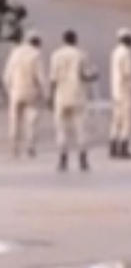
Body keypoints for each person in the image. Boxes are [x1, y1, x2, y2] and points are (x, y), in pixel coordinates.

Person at [50, 30, 98, 172]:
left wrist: (50, 96)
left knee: (61, 129)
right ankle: (83, 160)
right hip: (78, 95)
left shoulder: (56, 55)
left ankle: (62, 159)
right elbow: (85, 74)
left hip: (61, 95)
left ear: (63, 40)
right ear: (75, 40)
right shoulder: (82, 54)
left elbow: (53, 78)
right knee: (81, 128)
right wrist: (94, 75)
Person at [4, 30, 45, 159]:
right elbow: (41, 77)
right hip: (31, 91)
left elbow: (6, 75)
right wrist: (45, 93)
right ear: (37, 42)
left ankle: (14, 148)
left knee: (15, 120)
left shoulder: (15, 53)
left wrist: (9, 90)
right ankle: (30, 146)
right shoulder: (36, 54)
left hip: (15, 91)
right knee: (32, 120)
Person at [109, 28, 131, 159]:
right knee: (127, 120)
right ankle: (124, 148)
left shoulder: (115, 52)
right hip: (126, 90)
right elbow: (128, 72)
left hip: (116, 91)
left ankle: (113, 147)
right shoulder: (126, 53)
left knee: (116, 120)